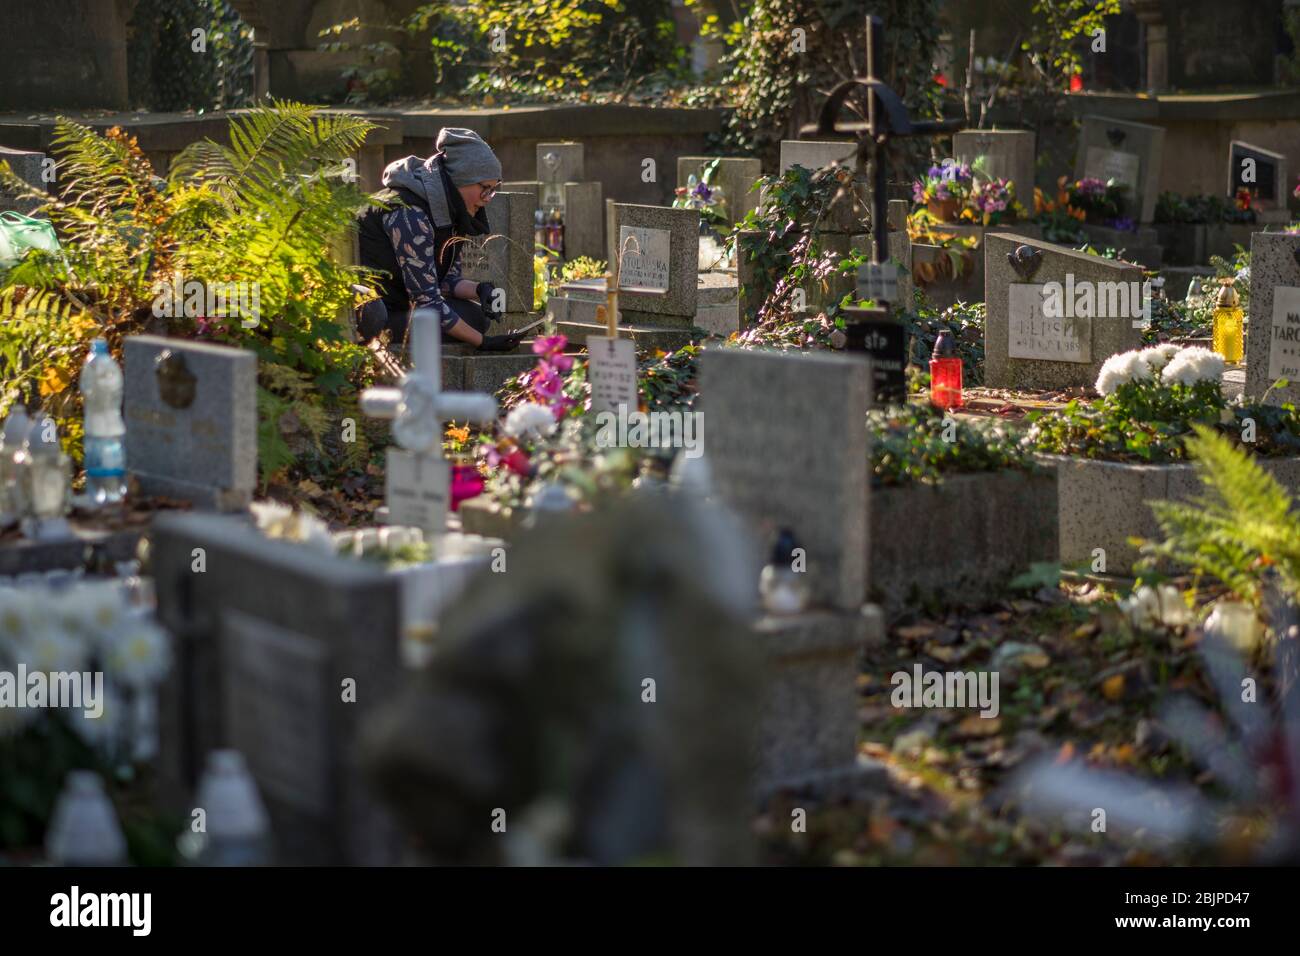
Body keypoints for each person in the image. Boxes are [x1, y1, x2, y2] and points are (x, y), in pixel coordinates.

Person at [355, 127, 524, 352]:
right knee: (469, 327)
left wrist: (479, 289)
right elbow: (427, 299)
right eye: (485, 188)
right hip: (375, 311)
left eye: (493, 190)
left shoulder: (452, 210)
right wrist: (483, 343)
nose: (487, 199)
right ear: (461, 180)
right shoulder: (410, 212)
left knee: (476, 318)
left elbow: (445, 281)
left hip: (405, 305)